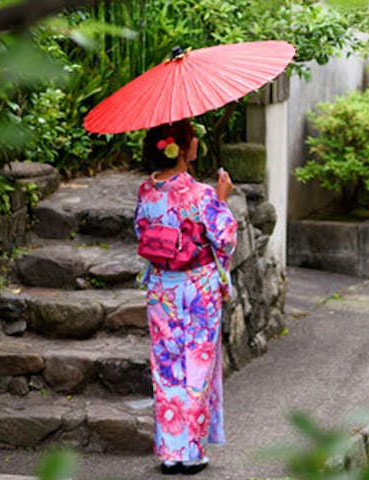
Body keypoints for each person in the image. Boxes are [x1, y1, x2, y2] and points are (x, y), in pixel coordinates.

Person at [134, 119, 237, 475]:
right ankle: (191, 452)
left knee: (166, 367)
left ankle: (170, 452)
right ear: (181, 148)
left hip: (162, 287)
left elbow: (141, 232)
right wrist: (222, 200)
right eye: (192, 137)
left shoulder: (146, 192)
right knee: (197, 366)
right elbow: (223, 239)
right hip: (198, 290)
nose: (196, 141)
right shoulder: (202, 194)